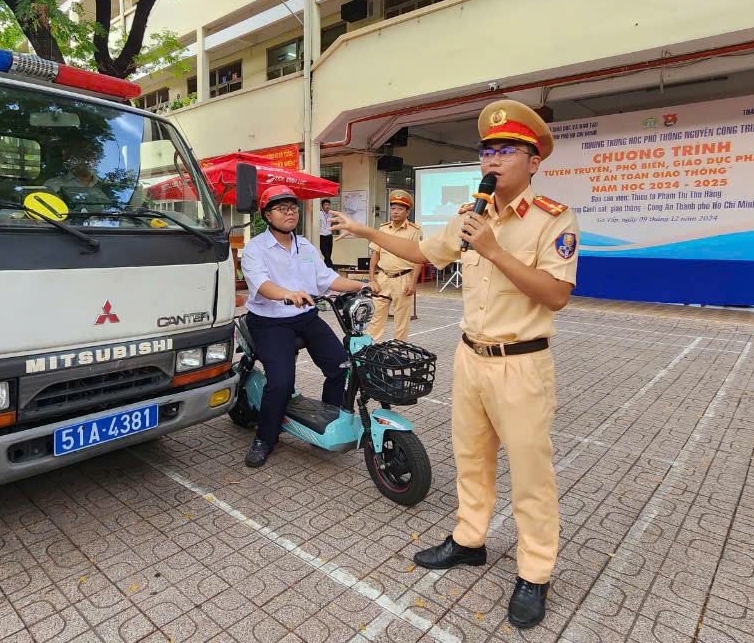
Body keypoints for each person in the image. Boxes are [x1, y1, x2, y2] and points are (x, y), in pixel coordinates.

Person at [329, 100, 579, 630]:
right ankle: (470, 539)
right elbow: (421, 252)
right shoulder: (470, 216)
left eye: (506, 150)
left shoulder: (551, 219)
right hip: (470, 358)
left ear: (533, 162)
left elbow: (556, 295)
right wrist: (369, 233)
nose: (493, 159)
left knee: (531, 475)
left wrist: (493, 249)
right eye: (487, 150)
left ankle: (534, 572)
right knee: (471, 457)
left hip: (521, 364)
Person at [239, 186, 369, 468]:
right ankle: (265, 438)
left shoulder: (306, 246)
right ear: (267, 215)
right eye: (282, 208)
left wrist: (365, 285)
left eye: (293, 207)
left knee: (342, 368)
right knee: (282, 382)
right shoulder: (255, 249)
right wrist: (287, 293)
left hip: (306, 316)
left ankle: (328, 419)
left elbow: (327, 279)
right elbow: (262, 285)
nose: (289, 212)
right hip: (270, 321)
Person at [366, 190, 422, 342]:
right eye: (393, 208)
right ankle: (372, 347)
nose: (395, 212)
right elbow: (375, 255)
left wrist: (413, 283)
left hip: (403, 277)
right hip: (383, 277)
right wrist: (372, 278)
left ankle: (399, 349)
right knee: (376, 316)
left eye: (400, 208)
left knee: (401, 319)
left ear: (408, 211)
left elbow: (418, 259)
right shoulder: (383, 229)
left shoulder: (414, 231)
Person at [318, 199, 336, 267]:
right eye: (325, 205)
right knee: (326, 254)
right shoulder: (319, 213)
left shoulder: (331, 214)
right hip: (322, 237)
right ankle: (331, 269)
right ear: (322, 206)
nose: (327, 206)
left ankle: (326, 269)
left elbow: (339, 216)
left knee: (328, 255)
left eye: (328, 205)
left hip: (329, 236)